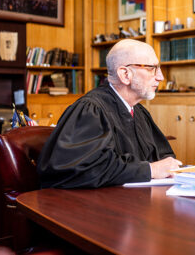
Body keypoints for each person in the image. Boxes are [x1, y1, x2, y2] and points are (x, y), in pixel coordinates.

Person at [37, 39, 182, 188]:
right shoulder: (90, 110)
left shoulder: (139, 112)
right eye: (152, 68)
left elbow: (163, 157)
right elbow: (80, 170)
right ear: (125, 74)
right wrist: (149, 170)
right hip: (96, 206)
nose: (160, 77)